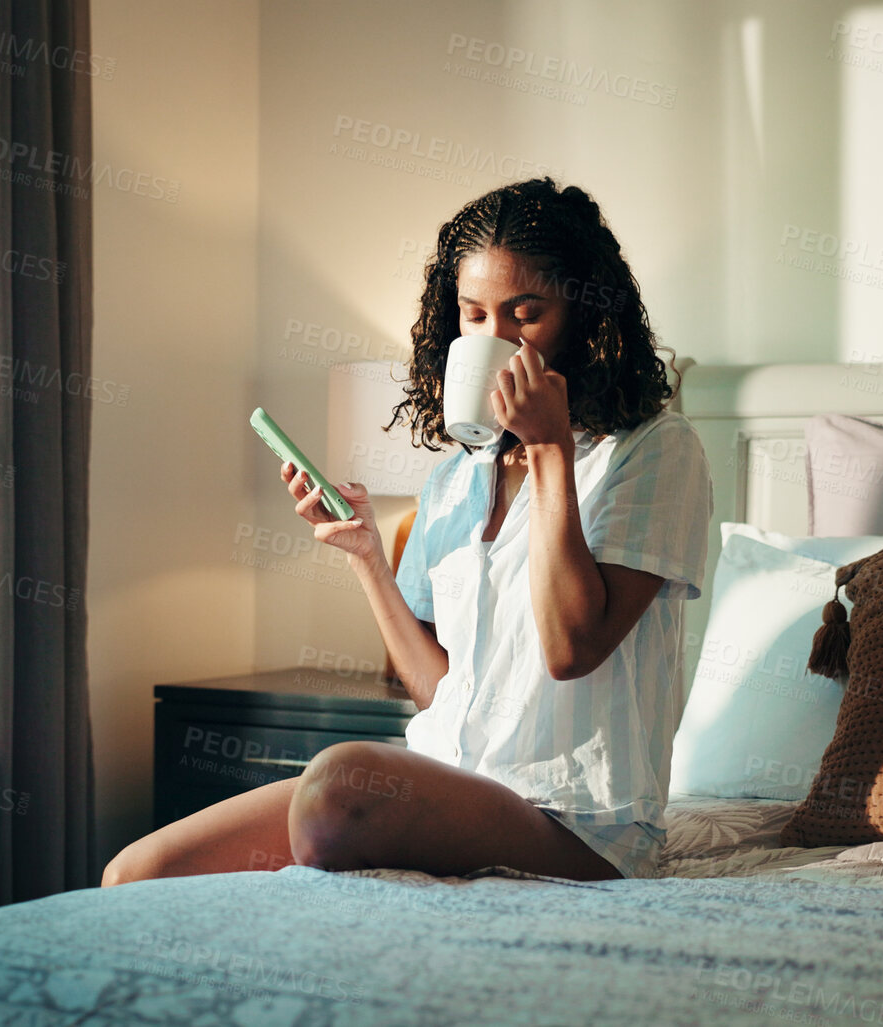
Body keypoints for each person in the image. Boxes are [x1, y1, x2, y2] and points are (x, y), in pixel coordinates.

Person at [101, 177, 712, 887]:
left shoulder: (654, 450)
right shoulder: (458, 476)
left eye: (526, 314)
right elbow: (440, 691)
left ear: (583, 314)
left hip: (577, 823)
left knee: (341, 783)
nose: (497, 340)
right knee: (138, 870)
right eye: (475, 315)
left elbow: (571, 648)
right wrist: (366, 557)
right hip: (446, 782)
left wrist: (550, 452)